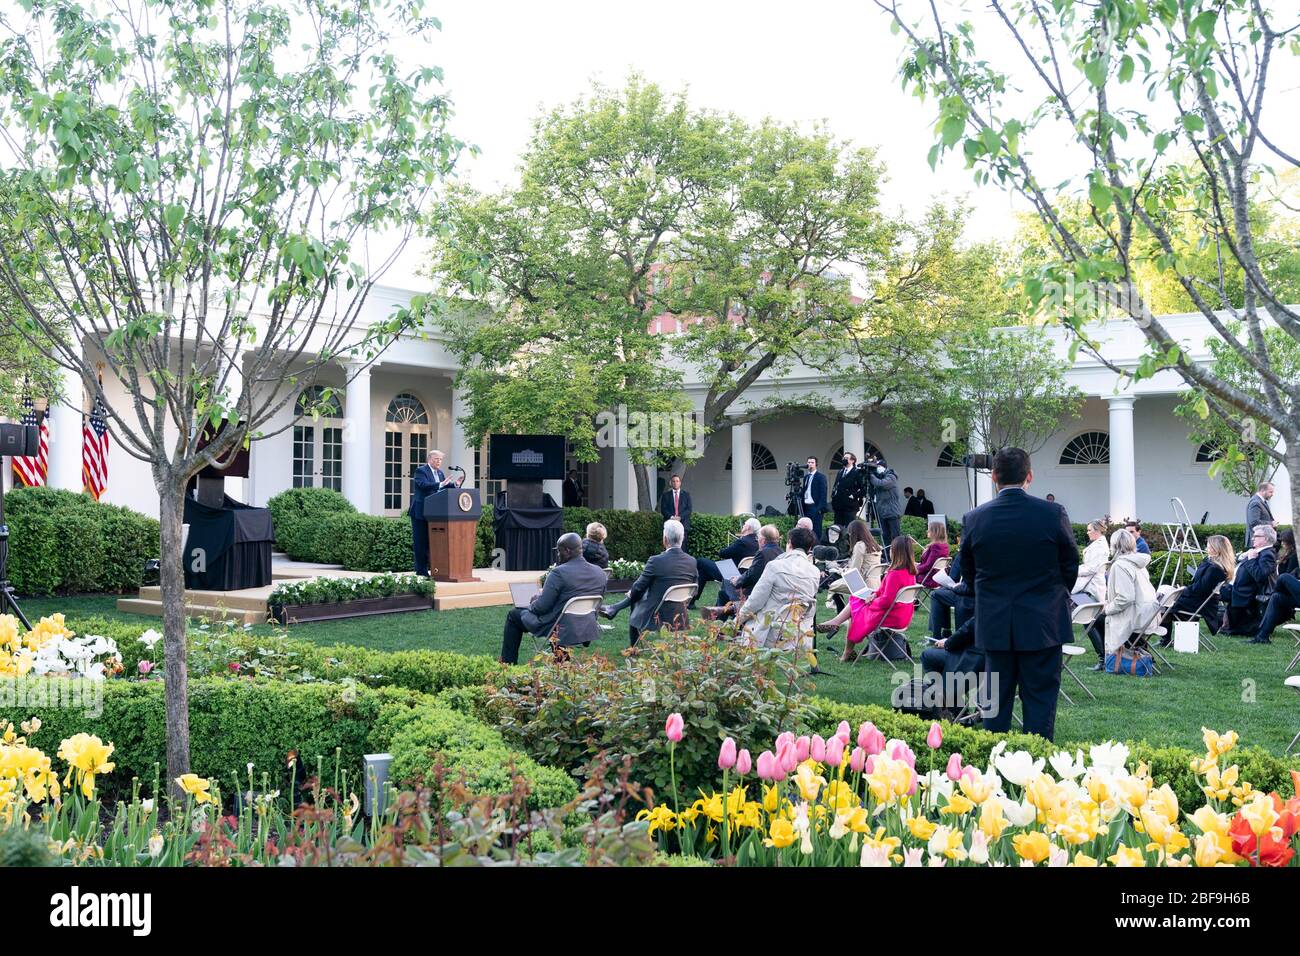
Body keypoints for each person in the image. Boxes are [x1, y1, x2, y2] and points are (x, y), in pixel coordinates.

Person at [958, 447, 1078, 741]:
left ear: (994, 478)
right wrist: (1051, 595)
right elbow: (1070, 564)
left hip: (996, 623)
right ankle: (1035, 774)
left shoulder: (975, 518)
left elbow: (969, 574)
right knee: (1040, 704)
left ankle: (993, 770)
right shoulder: (1052, 513)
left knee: (995, 708)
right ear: (1030, 476)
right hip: (1043, 623)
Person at [499, 533, 608, 665]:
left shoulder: (559, 573)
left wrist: (533, 603)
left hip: (557, 626)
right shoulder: (600, 573)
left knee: (514, 615)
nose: (557, 555)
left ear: (567, 551)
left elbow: (542, 607)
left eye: (559, 551)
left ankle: (507, 664)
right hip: (584, 625)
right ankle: (561, 662)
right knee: (562, 619)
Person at [816, 535, 917, 663]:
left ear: (896, 552)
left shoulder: (895, 574)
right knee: (857, 598)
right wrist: (874, 595)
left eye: (891, 549)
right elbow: (884, 591)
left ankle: (847, 650)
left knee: (856, 610)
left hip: (891, 616)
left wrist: (872, 601)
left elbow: (886, 601)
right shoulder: (909, 572)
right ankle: (835, 624)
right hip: (902, 614)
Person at [600, 520, 697, 646]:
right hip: (679, 611)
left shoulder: (656, 561)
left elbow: (638, 588)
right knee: (641, 592)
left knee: (636, 597)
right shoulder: (692, 561)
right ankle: (614, 608)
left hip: (657, 612)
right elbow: (695, 588)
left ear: (665, 539)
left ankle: (633, 647)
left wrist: (632, 594)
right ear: (682, 539)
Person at [735, 526, 821, 649]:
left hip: (770, 631)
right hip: (798, 631)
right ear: (810, 547)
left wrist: (736, 622)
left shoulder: (774, 567)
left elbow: (755, 602)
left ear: (789, 543)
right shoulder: (815, 572)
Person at [1098, 529, 1159, 670]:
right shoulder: (1138, 562)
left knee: (1094, 619)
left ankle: (1108, 658)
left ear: (1114, 545)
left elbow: (1125, 598)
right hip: (1147, 614)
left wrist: (1107, 609)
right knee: (1100, 617)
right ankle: (1128, 651)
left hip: (1135, 616)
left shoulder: (1120, 565)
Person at [1157, 534, 1233, 643]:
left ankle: (1165, 639)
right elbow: (1200, 587)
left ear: (1217, 549)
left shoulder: (1215, 569)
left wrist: (1182, 590)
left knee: (1164, 604)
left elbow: (1200, 590)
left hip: (1199, 603)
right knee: (1165, 600)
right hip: (1199, 601)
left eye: (1209, 547)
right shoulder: (1213, 565)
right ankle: (1165, 639)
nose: (1207, 549)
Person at [700, 524, 783, 621]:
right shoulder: (782, 552)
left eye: (758, 538)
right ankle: (718, 617)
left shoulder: (763, 553)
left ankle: (719, 617)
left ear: (763, 540)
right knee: (723, 593)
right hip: (771, 592)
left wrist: (738, 581)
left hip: (755, 592)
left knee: (727, 582)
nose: (757, 540)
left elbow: (752, 575)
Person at [409, 449, 462, 576]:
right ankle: (421, 571)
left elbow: (443, 486)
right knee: (420, 542)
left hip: (434, 513)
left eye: (441, 459)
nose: (439, 462)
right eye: (437, 459)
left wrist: (455, 484)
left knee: (431, 542)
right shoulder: (421, 471)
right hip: (420, 512)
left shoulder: (440, 473)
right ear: (430, 459)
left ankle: (434, 570)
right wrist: (440, 484)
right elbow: (423, 485)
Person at [1222, 524, 1277, 634]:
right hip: (1236, 591)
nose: (1252, 538)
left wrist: (1251, 560)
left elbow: (1260, 576)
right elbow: (1240, 561)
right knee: (1208, 591)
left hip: (1244, 595)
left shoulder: (1267, 554)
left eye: (1256, 536)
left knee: (1207, 593)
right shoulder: (1257, 551)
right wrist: (1244, 556)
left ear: (1265, 539)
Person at [693, 517, 761, 607]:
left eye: (744, 524)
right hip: (745, 575)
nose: (743, 526)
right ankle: (692, 602)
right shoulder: (758, 543)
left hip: (731, 574)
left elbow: (723, 553)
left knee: (700, 561)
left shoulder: (742, 542)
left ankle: (691, 597)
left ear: (748, 527)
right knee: (703, 573)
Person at [827, 519, 882, 612]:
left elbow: (854, 572)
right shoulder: (875, 545)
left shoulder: (860, 546)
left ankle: (840, 611)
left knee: (832, 586)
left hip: (861, 584)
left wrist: (840, 570)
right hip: (876, 584)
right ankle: (846, 611)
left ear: (854, 533)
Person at [865, 457, 903, 546]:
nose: (876, 469)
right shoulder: (878, 477)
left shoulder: (891, 476)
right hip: (882, 512)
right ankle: (886, 555)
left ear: (883, 467)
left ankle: (897, 555)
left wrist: (871, 475)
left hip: (892, 512)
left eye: (877, 467)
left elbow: (881, 484)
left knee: (895, 536)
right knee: (885, 536)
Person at [1072, 521, 1109, 605]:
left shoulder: (1099, 546)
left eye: (1089, 530)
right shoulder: (1098, 544)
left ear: (1098, 530)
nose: (1087, 533)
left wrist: (1072, 570)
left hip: (1091, 589)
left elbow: (1090, 569)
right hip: (1090, 587)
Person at [830, 452, 865, 526]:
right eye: (843, 458)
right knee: (838, 529)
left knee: (849, 529)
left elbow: (863, 489)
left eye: (846, 458)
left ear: (852, 461)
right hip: (838, 506)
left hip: (850, 506)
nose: (844, 460)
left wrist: (853, 495)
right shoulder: (840, 471)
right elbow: (836, 485)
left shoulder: (857, 472)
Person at [800, 457, 828, 542]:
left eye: (812, 462)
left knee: (816, 530)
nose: (810, 464)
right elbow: (804, 491)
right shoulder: (806, 477)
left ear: (816, 464)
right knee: (806, 531)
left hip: (815, 507)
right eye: (808, 462)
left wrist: (819, 508)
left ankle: (817, 548)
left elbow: (823, 493)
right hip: (806, 507)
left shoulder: (821, 477)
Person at [916, 520, 950, 588]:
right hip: (938, 578)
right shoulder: (944, 545)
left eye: (929, 530)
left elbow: (928, 566)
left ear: (935, 532)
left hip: (930, 579)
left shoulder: (935, 546)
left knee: (904, 576)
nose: (927, 531)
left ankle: (907, 597)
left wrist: (915, 569)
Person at [657, 475, 693, 540]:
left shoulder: (686, 495)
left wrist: (680, 517)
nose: (675, 483)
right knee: (669, 546)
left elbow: (689, 509)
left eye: (677, 481)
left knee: (682, 547)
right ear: (671, 483)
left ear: (680, 483)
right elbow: (663, 509)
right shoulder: (666, 495)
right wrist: (672, 517)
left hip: (683, 524)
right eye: (673, 481)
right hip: (670, 525)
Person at [1245, 480, 1276, 547]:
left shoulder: (1261, 501)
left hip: (1260, 541)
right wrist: (1271, 524)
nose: (1272, 494)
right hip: (1257, 542)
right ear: (1262, 490)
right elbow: (1254, 522)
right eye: (1270, 492)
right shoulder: (1255, 502)